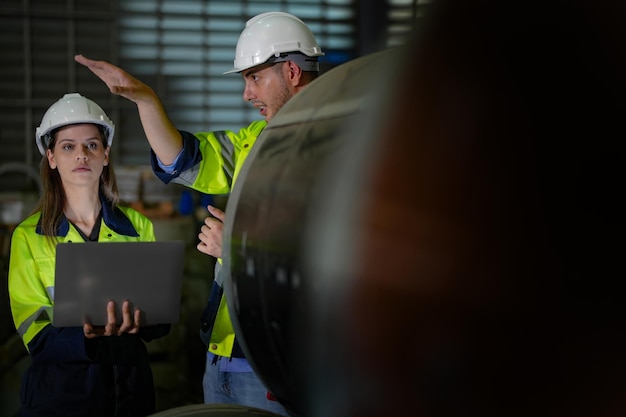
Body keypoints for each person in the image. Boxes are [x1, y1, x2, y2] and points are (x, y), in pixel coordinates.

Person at [74, 11, 323, 416]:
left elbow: (345, 255)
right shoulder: (257, 139)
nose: (246, 94)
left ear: (291, 71)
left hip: (283, 363)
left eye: (254, 78)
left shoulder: (341, 146)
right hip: (225, 352)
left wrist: (240, 248)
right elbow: (183, 159)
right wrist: (144, 98)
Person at [8, 93, 171, 417]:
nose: (81, 154)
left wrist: (143, 322)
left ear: (105, 154)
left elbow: (160, 316)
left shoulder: (137, 226)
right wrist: (86, 336)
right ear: (51, 157)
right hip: (61, 395)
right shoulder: (29, 237)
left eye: (91, 145)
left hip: (131, 391)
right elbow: (34, 332)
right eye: (68, 146)